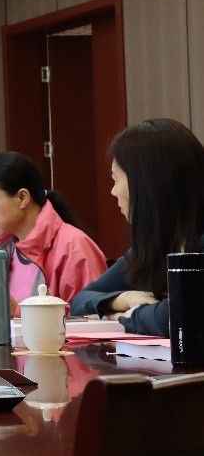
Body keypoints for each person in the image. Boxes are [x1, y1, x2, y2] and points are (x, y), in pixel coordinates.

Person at [71, 118, 204, 335]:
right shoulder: (155, 245)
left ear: (146, 182)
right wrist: (125, 298)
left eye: (116, 179)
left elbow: (182, 313)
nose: (113, 191)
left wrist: (126, 317)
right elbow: (81, 300)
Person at [0, 151, 107, 307]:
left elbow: (91, 314)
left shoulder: (74, 246)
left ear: (22, 198)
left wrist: (16, 311)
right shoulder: (5, 250)